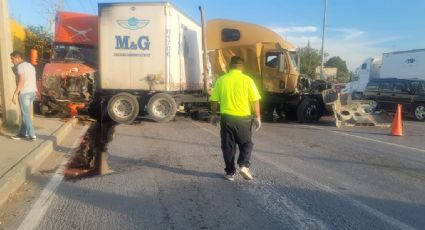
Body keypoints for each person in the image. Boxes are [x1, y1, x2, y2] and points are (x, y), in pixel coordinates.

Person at [210, 56, 261, 181]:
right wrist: (258, 117)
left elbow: (214, 100)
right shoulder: (248, 80)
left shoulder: (221, 80)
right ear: (242, 67)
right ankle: (243, 165)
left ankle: (230, 172)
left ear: (229, 66)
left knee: (228, 146)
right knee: (246, 144)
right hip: (244, 119)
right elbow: (255, 100)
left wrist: (214, 115)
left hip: (226, 119)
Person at [10, 51, 37, 141]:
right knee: (24, 113)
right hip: (32, 92)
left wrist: (15, 94)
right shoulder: (30, 65)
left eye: (12, 59)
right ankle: (22, 133)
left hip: (25, 93)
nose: (11, 61)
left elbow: (21, 81)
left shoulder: (20, 66)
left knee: (25, 115)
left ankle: (32, 134)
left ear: (18, 58)